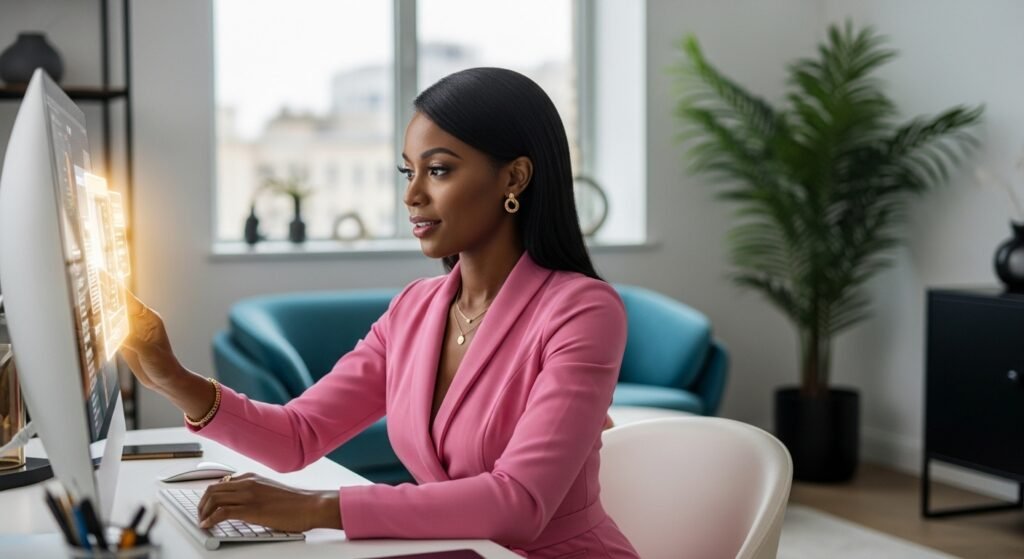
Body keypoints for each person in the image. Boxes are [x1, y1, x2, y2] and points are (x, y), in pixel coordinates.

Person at [120, 67, 639, 558]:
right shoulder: (414, 310)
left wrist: (316, 508)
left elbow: (519, 503)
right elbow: (299, 435)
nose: (413, 195)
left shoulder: (581, 311)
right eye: (408, 172)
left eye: (438, 170)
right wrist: (171, 377)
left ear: (515, 178)